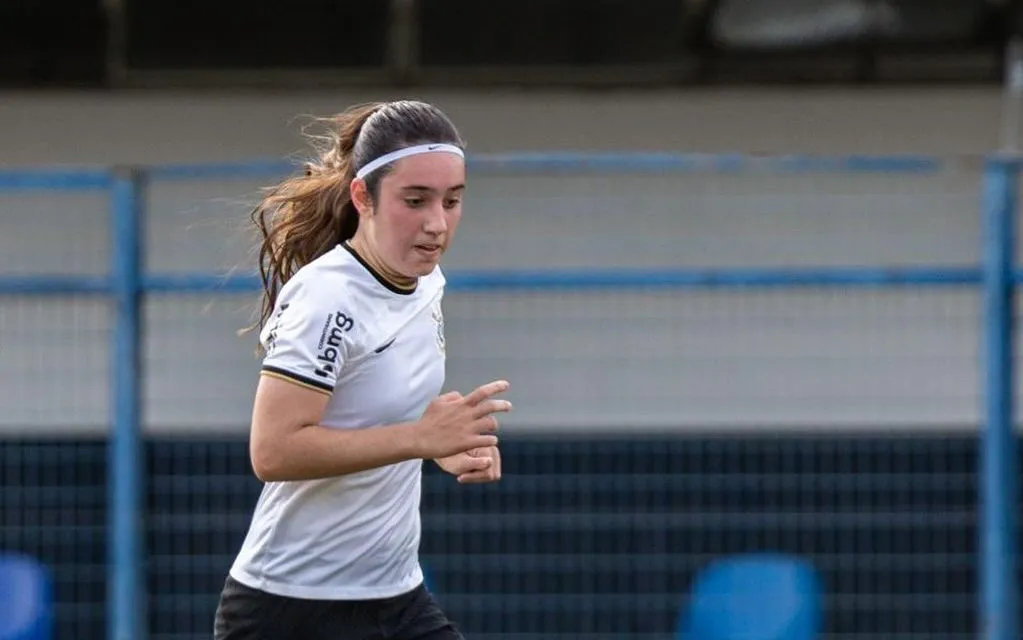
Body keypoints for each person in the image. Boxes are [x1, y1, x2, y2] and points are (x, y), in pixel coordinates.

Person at [213, 99, 512, 640]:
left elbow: (372, 412)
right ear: (362, 197)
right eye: (415, 201)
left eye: (452, 201)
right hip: (292, 612)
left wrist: (440, 444)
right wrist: (420, 437)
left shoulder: (427, 282)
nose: (437, 223)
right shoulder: (326, 296)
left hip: (395, 597)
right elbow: (273, 450)